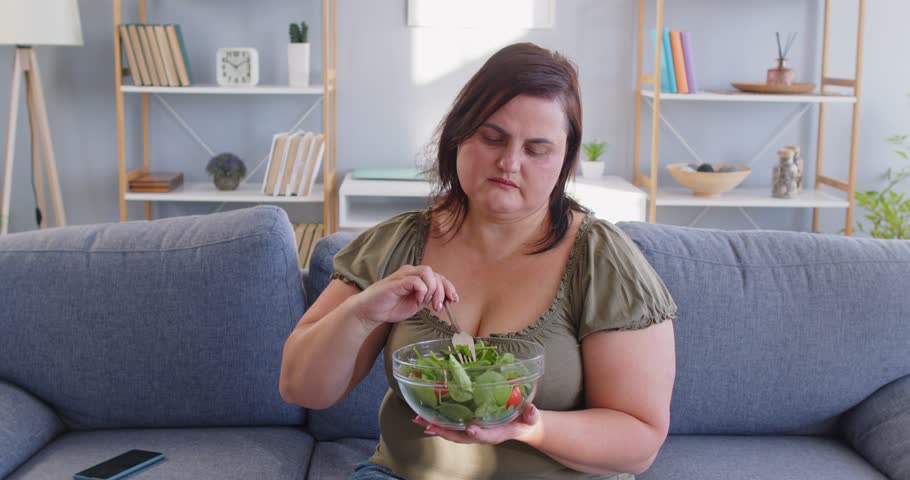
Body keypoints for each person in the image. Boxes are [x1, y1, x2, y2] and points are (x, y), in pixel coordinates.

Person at [279, 42, 677, 480]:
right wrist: (360, 312)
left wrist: (528, 427)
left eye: (537, 149)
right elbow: (301, 388)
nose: (509, 162)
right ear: (459, 134)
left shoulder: (603, 260)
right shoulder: (396, 245)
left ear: (565, 160)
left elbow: (639, 441)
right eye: (492, 137)